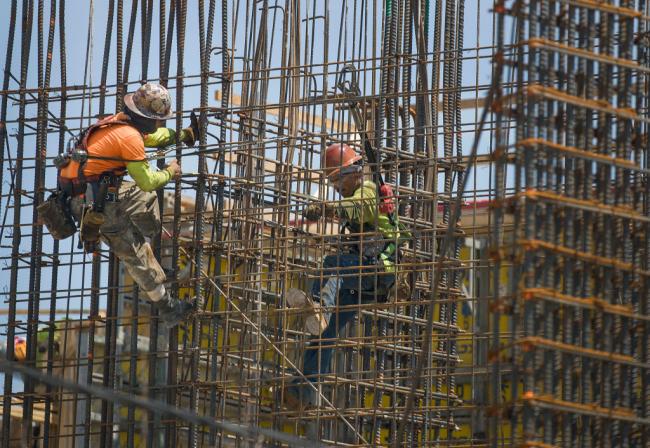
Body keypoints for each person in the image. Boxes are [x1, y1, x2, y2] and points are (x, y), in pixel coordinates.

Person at [57, 83, 197, 327]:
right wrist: (170, 171)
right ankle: (169, 308)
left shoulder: (120, 123)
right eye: (158, 120)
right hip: (92, 203)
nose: (158, 125)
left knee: (145, 202)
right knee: (134, 251)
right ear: (151, 119)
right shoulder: (129, 137)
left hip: (97, 190)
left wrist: (183, 135)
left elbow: (153, 139)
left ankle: (157, 267)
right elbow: (147, 181)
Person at [285, 142, 409, 406]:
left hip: (379, 270)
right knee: (324, 333)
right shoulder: (355, 192)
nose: (336, 186)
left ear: (354, 171)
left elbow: (358, 208)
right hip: (366, 275)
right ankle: (305, 390)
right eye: (332, 181)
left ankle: (319, 305)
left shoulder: (368, 190)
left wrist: (328, 209)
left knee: (333, 264)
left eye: (338, 178)